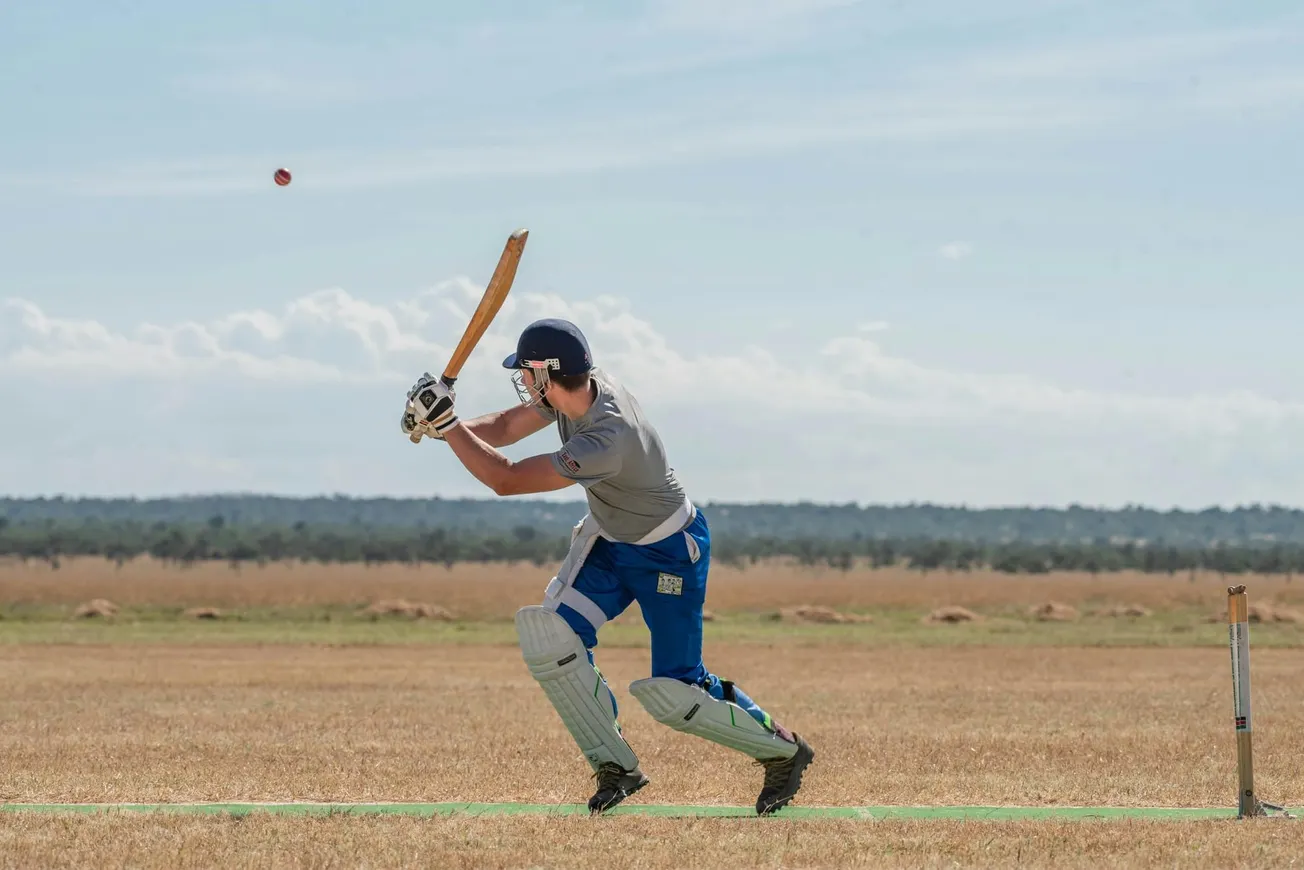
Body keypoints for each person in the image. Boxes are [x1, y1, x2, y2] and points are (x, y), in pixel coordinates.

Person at [401, 317, 814, 815]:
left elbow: (505, 479)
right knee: (551, 636)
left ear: (547, 374)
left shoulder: (607, 437)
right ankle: (615, 768)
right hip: (610, 540)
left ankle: (784, 751)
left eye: (526, 373)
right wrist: (441, 424)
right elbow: (507, 428)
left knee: (678, 691)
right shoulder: (575, 392)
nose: (523, 382)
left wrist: (446, 424)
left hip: (668, 551)